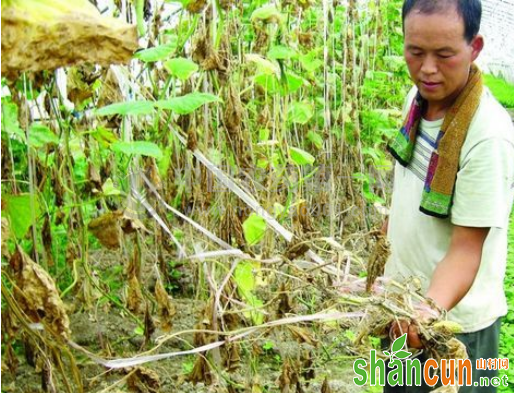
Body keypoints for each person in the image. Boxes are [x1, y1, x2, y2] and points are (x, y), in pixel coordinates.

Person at [383, 0, 514, 391]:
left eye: (444, 54)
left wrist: (427, 312)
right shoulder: (418, 100)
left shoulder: (486, 136)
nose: (426, 69)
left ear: (474, 48)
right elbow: (408, 195)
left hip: (455, 329)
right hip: (405, 310)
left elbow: (465, 249)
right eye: (415, 51)